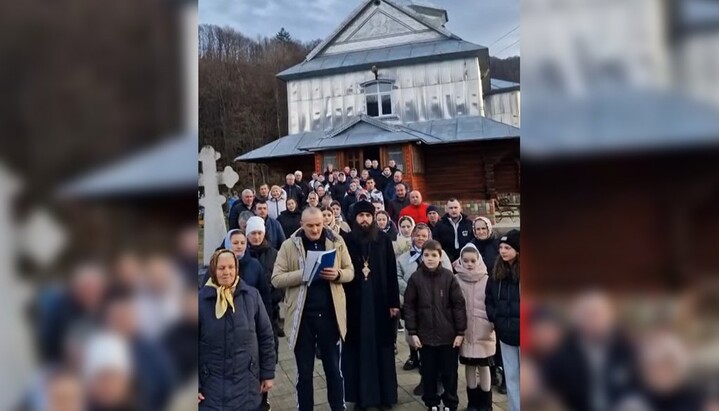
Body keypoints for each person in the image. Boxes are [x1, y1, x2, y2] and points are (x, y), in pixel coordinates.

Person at [271, 208, 354, 411]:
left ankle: (338, 407)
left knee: (334, 370)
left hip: (330, 316)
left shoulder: (336, 241)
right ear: (302, 224)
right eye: (310, 225)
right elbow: (276, 279)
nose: (315, 229)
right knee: (304, 372)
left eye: (318, 224)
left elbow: (350, 271)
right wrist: (304, 273)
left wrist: (337, 274)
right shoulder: (289, 245)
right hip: (302, 318)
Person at [340, 201, 401, 409]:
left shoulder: (383, 240)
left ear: (373, 217)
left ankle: (385, 397)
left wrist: (394, 302)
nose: (364, 219)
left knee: (383, 349)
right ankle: (360, 398)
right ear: (354, 218)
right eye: (361, 216)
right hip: (354, 304)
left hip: (380, 302)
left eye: (368, 215)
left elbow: (391, 271)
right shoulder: (346, 241)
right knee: (357, 351)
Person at [199, 249, 276, 411]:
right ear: (213, 270)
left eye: (231, 267)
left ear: (237, 269)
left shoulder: (252, 296)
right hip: (211, 388)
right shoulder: (199, 301)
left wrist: (268, 373)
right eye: (221, 268)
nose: (227, 272)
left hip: (247, 385)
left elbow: (266, 337)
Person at [542, 291, 639, 411]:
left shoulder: (625, 350)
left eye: (599, 314)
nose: (594, 320)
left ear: (610, 318)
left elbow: (638, 387)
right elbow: (551, 392)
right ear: (577, 320)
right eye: (588, 315)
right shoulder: (562, 354)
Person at [404, 240, 467, 411]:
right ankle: (432, 402)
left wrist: (460, 332)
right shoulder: (416, 278)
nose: (430, 259)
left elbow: (458, 305)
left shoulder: (449, 277)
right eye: (426, 255)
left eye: (434, 255)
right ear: (422, 257)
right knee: (429, 373)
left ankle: (450, 402)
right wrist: (413, 332)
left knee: (450, 373)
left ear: (440, 257)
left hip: (448, 336)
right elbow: (409, 306)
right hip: (425, 336)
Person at [397, 224, 452, 374]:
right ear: (413, 236)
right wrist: (412, 288)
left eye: (424, 236)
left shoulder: (441, 255)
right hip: (413, 302)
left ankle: (430, 370)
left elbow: (448, 275)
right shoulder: (404, 258)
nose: (421, 238)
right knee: (413, 333)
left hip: (435, 303)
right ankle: (414, 356)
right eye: (418, 235)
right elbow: (397, 277)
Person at [453, 244, 496, 411]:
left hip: (483, 329)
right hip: (464, 330)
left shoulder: (487, 279)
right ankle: (473, 401)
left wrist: (491, 323)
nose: (469, 264)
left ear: (478, 260)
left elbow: (492, 303)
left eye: (472, 260)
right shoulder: (456, 279)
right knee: (469, 366)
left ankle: (486, 403)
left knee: (484, 366)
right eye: (465, 261)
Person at [246, 216, 281, 410]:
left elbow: (279, 280)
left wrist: (273, 297)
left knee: (267, 353)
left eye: (259, 233)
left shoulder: (274, 254)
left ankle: (264, 396)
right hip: (246, 313)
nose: (257, 236)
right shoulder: (243, 255)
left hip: (269, 311)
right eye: (253, 233)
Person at [485, 230, 521, 411]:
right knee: (512, 376)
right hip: (506, 333)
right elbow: (489, 298)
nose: (503, 251)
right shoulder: (497, 271)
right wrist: (495, 317)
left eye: (507, 247)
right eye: (500, 247)